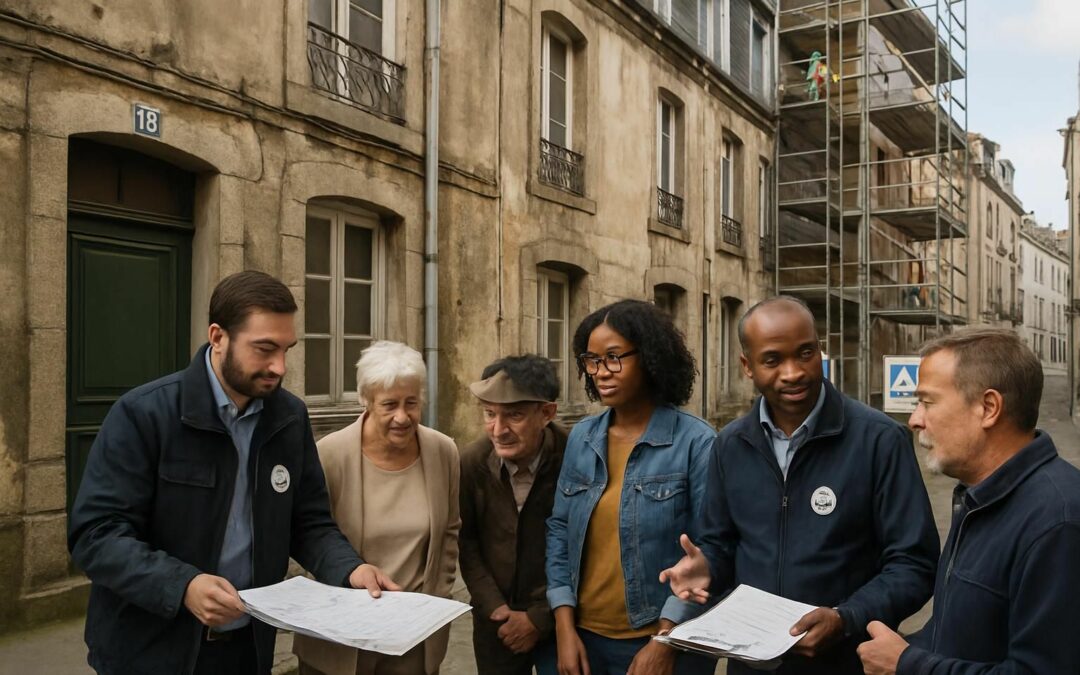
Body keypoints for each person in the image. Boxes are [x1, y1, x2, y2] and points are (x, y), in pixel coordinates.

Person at [68, 270, 397, 675]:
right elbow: (96, 535)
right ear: (218, 337)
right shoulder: (144, 414)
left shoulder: (289, 418)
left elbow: (309, 522)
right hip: (149, 652)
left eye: (286, 350)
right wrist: (183, 586)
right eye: (264, 349)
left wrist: (350, 569)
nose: (279, 366)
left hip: (247, 649)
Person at [661, 296, 938, 674]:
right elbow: (721, 544)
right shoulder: (731, 445)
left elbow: (914, 564)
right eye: (772, 360)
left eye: (805, 353)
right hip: (751, 667)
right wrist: (707, 567)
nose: (792, 372)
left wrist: (846, 618)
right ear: (747, 366)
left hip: (845, 665)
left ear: (819, 349)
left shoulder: (879, 440)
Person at [858, 327, 1080, 674]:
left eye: (927, 402)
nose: (915, 420)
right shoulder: (978, 496)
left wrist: (907, 664)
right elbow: (958, 635)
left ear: (988, 408)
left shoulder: (1058, 522)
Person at [546, 299, 717, 675]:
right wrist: (563, 628)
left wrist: (664, 641)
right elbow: (559, 531)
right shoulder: (582, 438)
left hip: (664, 640)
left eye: (613, 357)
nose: (600, 372)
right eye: (592, 360)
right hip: (586, 639)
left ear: (651, 358)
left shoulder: (697, 442)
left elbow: (710, 550)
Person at [293, 340, 460, 675]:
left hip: (413, 638)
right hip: (340, 636)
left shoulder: (443, 451)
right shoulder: (329, 455)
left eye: (411, 403)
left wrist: (437, 597)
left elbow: (450, 532)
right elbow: (309, 534)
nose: (402, 417)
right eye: (389, 405)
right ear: (366, 401)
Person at [459, 355, 567, 675]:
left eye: (514, 415)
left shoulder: (575, 457)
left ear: (546, 413)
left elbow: (587, 546)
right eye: (489, 414)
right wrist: (494, 606)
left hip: (563, 617)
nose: (498, 430)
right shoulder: (471, 462)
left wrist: (540, 617)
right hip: (497, 621)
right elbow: (465, 542)